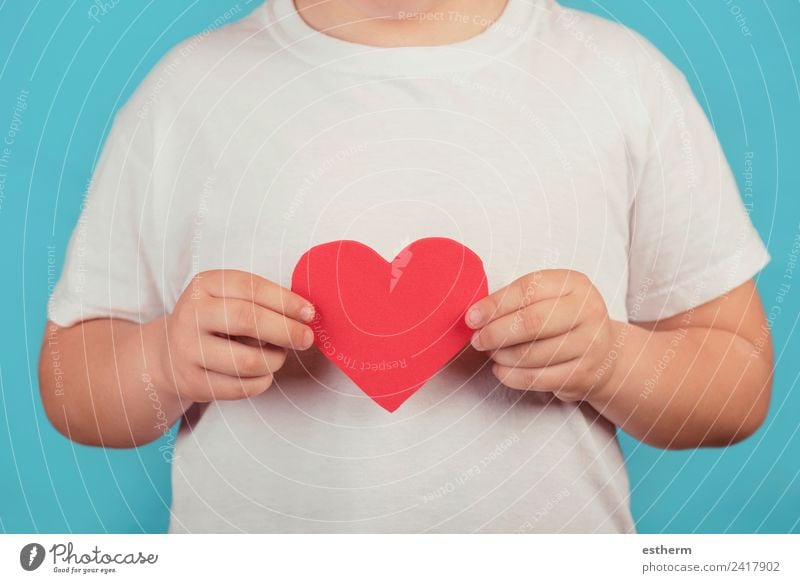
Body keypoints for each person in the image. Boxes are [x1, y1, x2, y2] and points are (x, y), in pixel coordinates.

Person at [39, 0, 773, 533]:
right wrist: (161, 360)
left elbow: (737, 381)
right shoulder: (188, 92)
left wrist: (613, 359)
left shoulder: (624, 81)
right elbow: (71, 377)